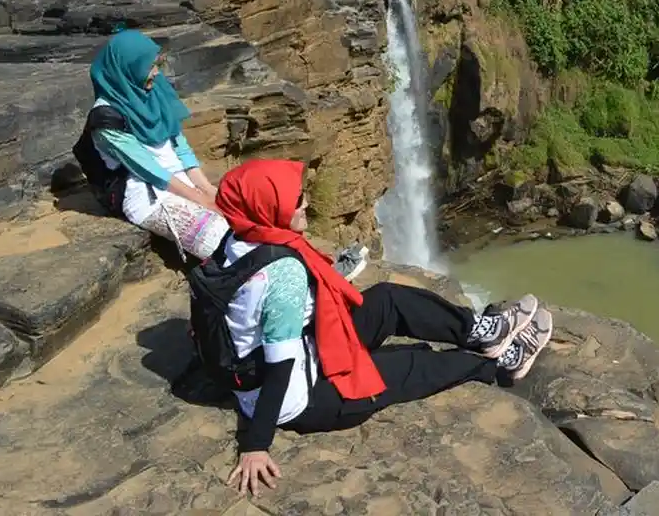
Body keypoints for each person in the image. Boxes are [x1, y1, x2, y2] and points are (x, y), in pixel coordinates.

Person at [210, 158, 553, 497]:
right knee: (412, 364)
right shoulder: (283, 274)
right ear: (266, 206)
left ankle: (482, 332)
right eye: (297, 199)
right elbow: (280, 365)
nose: (307, 203)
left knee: (387, 298)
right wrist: (256, 443)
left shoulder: (236, 241)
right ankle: (498, 366)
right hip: (306, 397)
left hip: (309, 347)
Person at [76, 29, 230, 262]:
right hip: (147, 194)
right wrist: (200, 200)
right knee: (219, 238)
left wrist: (207, 189)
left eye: (155, 65)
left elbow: (180, 145)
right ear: (127, 68)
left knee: (246, 220)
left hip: (181, 182)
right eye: (149, 67)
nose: (156, 73)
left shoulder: (155, 93)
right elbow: (147, 168)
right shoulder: (106, 118)